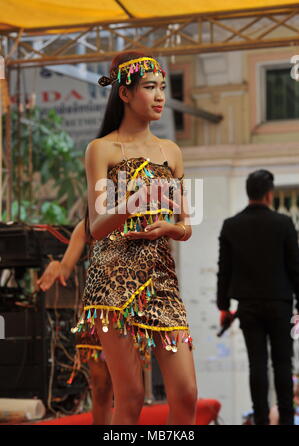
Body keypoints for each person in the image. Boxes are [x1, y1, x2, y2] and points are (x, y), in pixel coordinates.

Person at [71, 50, 198, 425]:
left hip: (162, 280)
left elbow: (187, 224)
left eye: (162, 87)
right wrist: (137, 200)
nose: (160, 96)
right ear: (124, 94)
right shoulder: (101, 149)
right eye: (149, 87)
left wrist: (172, 228)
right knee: (131, 396)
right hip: (112, 281)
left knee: (186, 392)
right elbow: (96, 227)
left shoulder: (171, 151)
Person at [216, 169, 299, 425]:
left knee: (257, 364)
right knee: (282, 364)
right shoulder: (283, 224)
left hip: (248, 307)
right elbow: (295, 268)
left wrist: (223, 307)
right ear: (269, 194)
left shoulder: (232, 226)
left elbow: (224, 269)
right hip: (280, 305)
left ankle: (261, 420)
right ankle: (286, 420)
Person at [36, 211, 113, 425]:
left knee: (129, 387)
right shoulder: (88, 226)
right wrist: (56, 266)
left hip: (131, 312)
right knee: (100, 385)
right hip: (97, 311)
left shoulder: (138, 219)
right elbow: (66, 268)